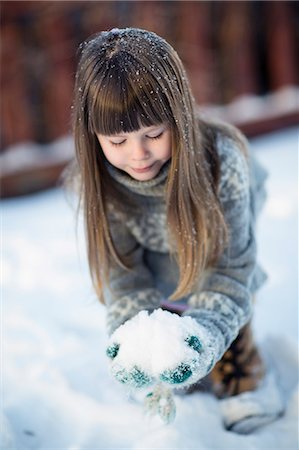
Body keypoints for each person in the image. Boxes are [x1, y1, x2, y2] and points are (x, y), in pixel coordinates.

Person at [68, 27, 284, 432]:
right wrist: (134, 338)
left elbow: (230, 271)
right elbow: (124, 276)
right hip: (156, 251)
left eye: (154, 134)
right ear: (93, 135)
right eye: (118, 141)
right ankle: (171, 325)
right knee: (163, 304)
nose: (138, 154)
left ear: (179, 116)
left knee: (210, 275)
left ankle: (241, 364)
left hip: (212, 245)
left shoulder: (224, 164)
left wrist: (203, 338)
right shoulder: (95, 184)